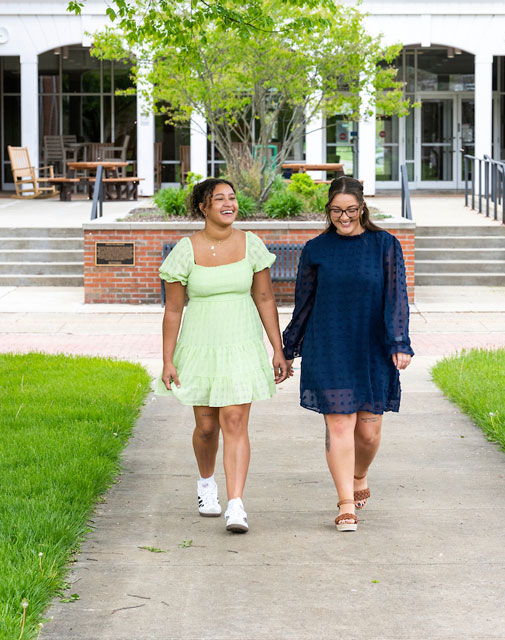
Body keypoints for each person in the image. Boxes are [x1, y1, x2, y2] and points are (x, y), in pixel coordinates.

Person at [158, 178, 290, 533]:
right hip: (200, 345)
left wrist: (278, 348)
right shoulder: (185, 250)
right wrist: (168, 359)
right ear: (203, 206)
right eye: (220, 199)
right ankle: (206, 485)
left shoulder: (252, 245)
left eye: (232, 198)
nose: (229, 204)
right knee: (206, 426)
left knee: (234, 420)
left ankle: (236, 504)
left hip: (241, 343)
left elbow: (264, 298)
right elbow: (173, 310)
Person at [282, 176, 413, 532]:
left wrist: (399, 341)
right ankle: (345, 505)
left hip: (372, 346)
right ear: (328, 210)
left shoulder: (385, 245)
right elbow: (304, 304)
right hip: (329, 345)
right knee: (340, 424)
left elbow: (396, 297)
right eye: (337, 210)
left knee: (368, 434)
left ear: (362, 208)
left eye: (351, 210)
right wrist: (289, 348)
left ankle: (360, 474)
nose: (344, 217)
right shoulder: (316, 249)